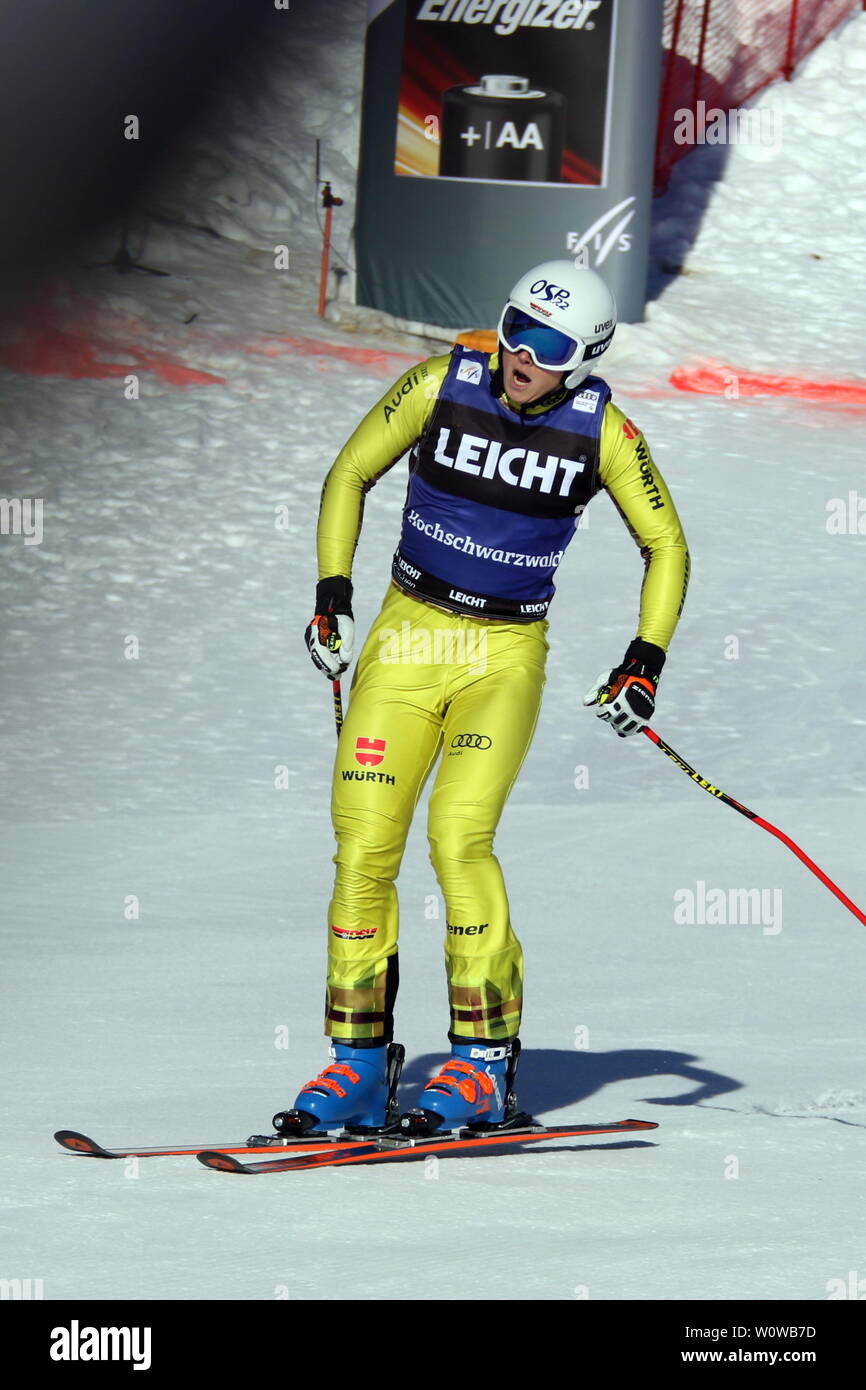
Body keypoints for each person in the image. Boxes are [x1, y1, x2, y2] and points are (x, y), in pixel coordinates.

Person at [278, 260, 690, 1138]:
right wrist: (331, 593)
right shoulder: (440, 385)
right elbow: (348, 472)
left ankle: (483, 1061)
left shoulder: (603, 432)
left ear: (583, 356)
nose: (519, 354)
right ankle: (357, 1060)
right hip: (404, 641)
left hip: (501, 658)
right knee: (361, 845)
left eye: (545, 344)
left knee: (458, 839)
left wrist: (643, 660)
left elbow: (667, 545)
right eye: (512, 327)